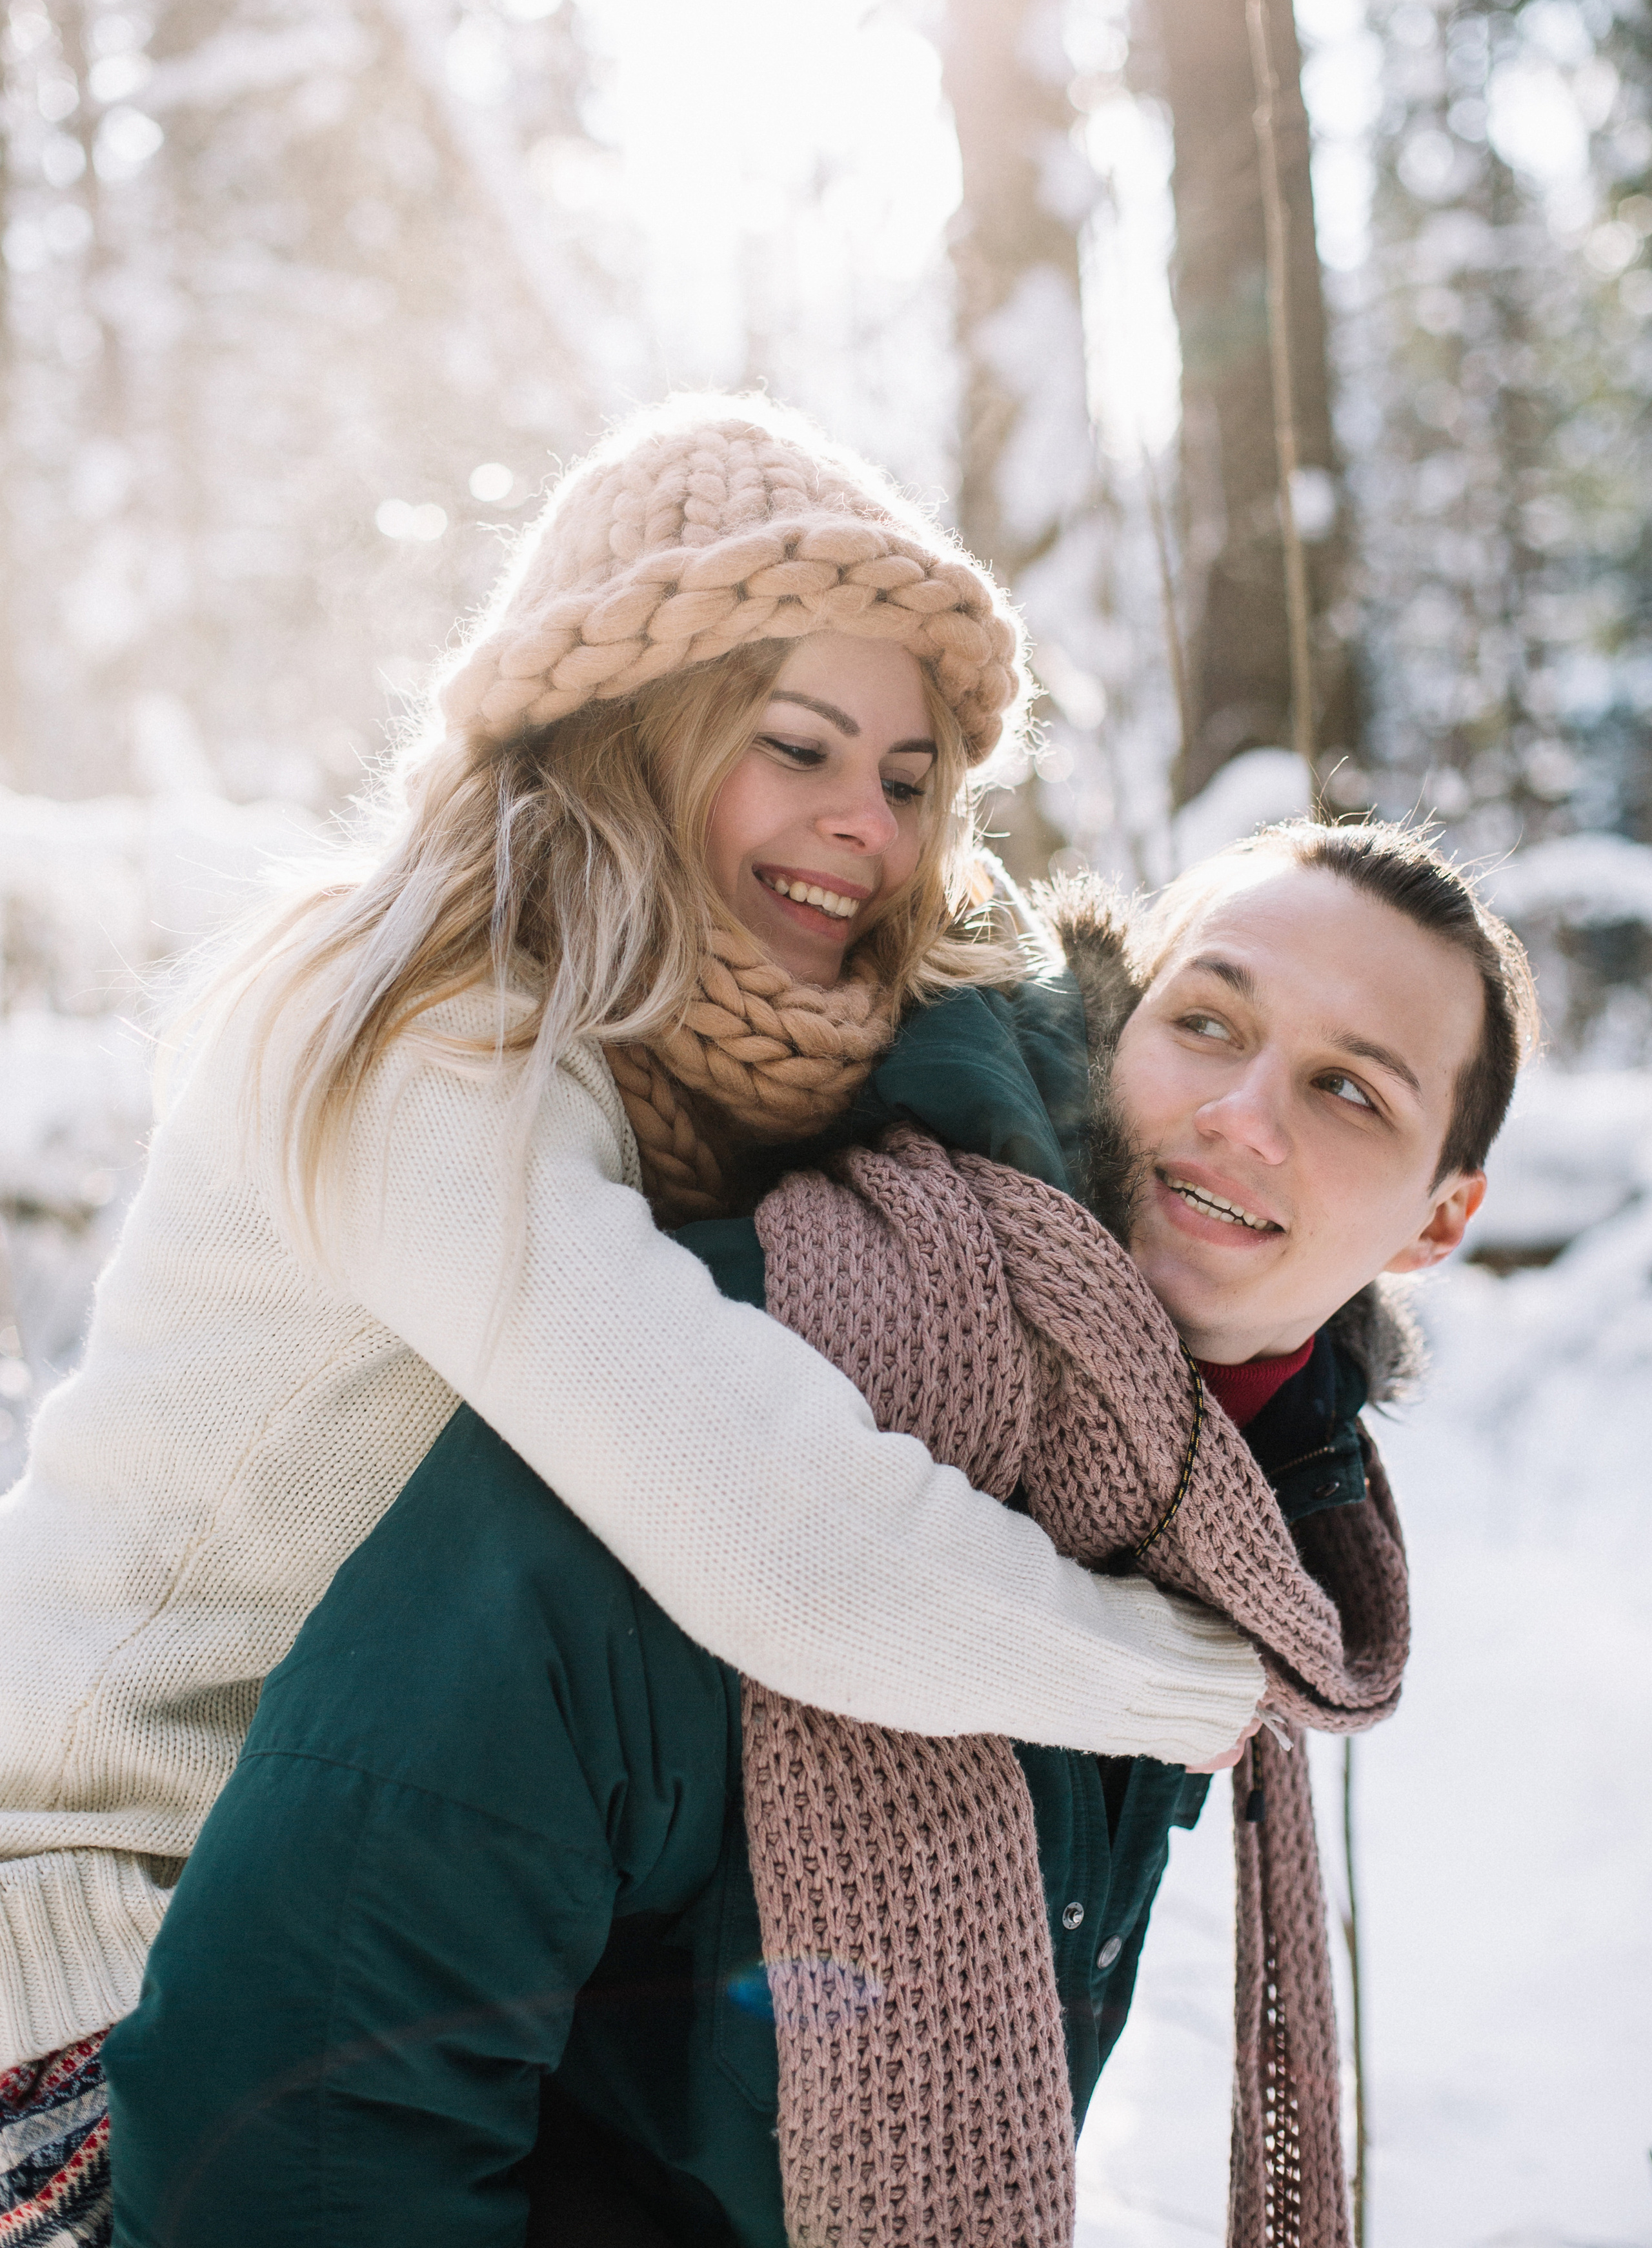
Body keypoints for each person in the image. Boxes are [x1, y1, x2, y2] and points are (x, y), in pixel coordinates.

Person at [0, 396, 1265, 2243]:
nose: (867, 824)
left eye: (911, 781)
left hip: (373, 1938)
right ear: (634, 733)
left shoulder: (666, 1050)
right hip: (109, 1981)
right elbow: (770, 1523)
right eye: (799, 745)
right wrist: (1191, 1681)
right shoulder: (422, 1032)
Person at [100, 819, 1536, 2247]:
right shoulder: (753, 1375)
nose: (1241, 1113)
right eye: (1206, 1018)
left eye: (1348, 1089)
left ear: (1440, 1219)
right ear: (1115, 1028)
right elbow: (287, 2102)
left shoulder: (1212, 1534)